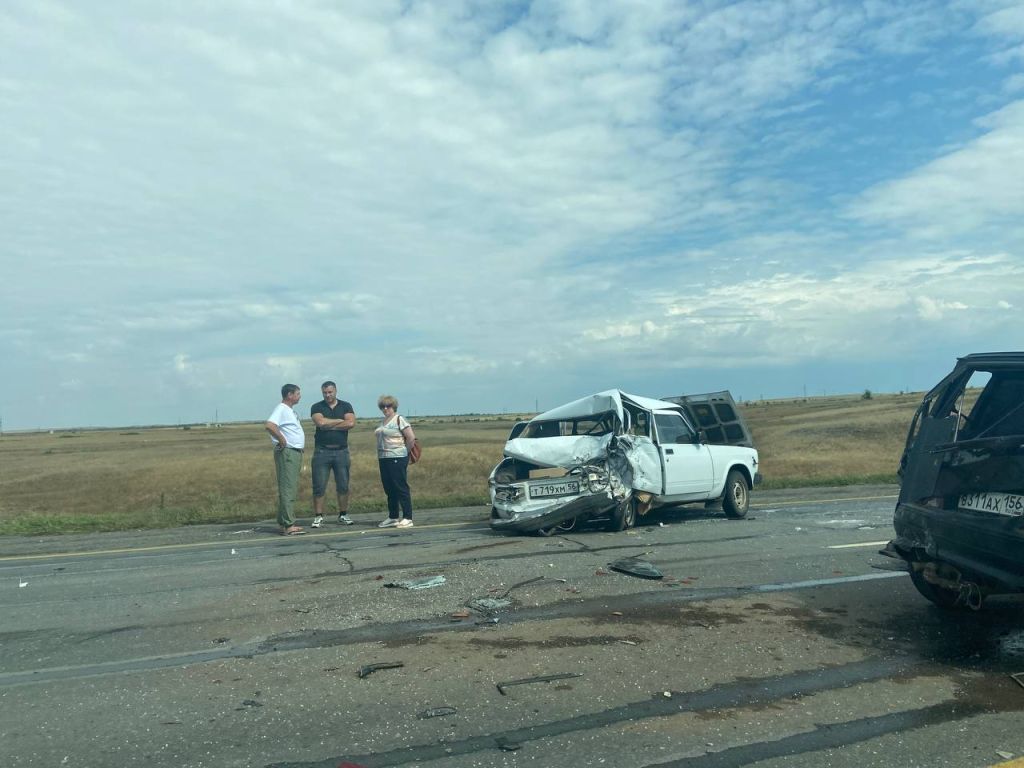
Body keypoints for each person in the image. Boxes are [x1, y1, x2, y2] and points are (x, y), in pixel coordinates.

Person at [309, 381, 356, 527]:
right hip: (322, 451)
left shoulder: (346, 405)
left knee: (343, 484)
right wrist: (339, 421)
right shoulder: (317, 406)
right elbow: (320, 423)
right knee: (319, 485)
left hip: (341, 451)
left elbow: (350, 423)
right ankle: (318, 516)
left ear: (335, 391)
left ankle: (343, 514)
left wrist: (329, 424)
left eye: (330, 392)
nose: (328, 395)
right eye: (325, 393)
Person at [265, 384, 306, 535]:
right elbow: (270, 425)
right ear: (290, 395)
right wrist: (282, 439)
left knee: (289, 487)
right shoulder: (281, 409)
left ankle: (284, 521)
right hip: (288, 452)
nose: (299, 396)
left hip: (294, 452)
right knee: (288, 488)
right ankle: (289, 525)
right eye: (297, 393)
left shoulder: (289, 411)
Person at [374, 394, 416, 528]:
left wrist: (405, 452)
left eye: (388, 406)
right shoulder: (383, 421)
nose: (385, 409)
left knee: (400, 487)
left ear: (394, 407)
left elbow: (411, 438)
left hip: (397, 457)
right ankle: (393, 516)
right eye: (383, 406)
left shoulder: (399, 419)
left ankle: (408, 517)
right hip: (384, 458)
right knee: (389, 488)